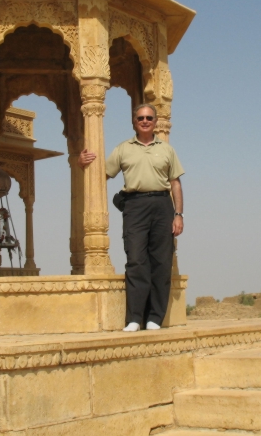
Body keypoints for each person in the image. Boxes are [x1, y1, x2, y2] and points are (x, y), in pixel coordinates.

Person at [79, 103, 184, 331]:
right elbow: (102, 174)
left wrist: (178, 214)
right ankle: (135, 318)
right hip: (135, 205)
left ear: (155, 122)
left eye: (148, 118)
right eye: (140, 118)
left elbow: (175, 183)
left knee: (161, 261)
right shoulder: (123, 149)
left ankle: (155, 317)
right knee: (136, 259)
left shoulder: (166, 150)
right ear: (134, 122)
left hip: (162, 205)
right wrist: (82, 164)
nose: (145, 121)